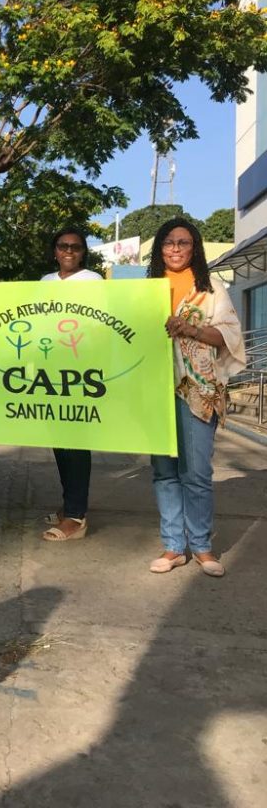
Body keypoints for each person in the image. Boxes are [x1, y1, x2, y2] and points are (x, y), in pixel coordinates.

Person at [147, 217, 245, 577]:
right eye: (169, 242)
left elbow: (230, 336)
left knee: (197, 471)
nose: (175, 248)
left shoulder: (211, 289)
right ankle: (174, 546)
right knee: (163, 471)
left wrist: (191, 329)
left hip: (198, 392)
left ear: (195, 248)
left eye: (183, 242)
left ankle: (202, 545)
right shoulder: (147, 288)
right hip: (153, 391)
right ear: (159, 248)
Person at [40, 228, 103, 542]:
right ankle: (69, 504)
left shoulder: (93, 281)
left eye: (75, 247)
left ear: (83, 252)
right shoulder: (46, 282)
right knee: (60, 442)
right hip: (51, 372)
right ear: (55, 251)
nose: (68, 251)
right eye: (63, 246)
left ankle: (77, 516)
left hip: (80, 371)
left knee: (76, 442)